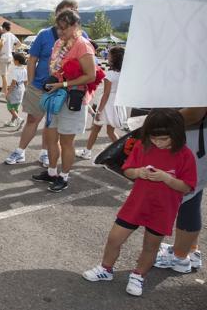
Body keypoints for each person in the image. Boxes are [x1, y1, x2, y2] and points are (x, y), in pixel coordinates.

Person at [83, 109, 197, 297]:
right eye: (154, 138)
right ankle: (106, 268)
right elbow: (127, 170)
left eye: (163, 139)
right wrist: (138, 173)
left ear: (176, 135)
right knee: (114, 238)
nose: (158, 143)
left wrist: (166, 178)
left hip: (163, 209)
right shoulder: (143, 147)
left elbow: (187, 187)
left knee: (151, 246)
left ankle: (138, 275)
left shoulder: (185, 155)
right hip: (137, 203)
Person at [4, 0, 81, 167]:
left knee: (52, 123)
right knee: (33, 119)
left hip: (63, 90)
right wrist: (31, 83)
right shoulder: (45, 34)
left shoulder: (81, 38)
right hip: (40, 86)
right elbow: (32, 59)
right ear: (57, 15)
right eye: (63, 13)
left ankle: (45, 153)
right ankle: (20, 151)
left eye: (72, 12)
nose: (67, 17)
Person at [33, 9, 97, 192]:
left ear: (75, 26)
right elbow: (54, 68)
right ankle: (52, 173)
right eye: (58, 28)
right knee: (51, 138)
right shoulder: (58, 43)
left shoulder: (83, 45)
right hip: (56, 97)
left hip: (72, 100)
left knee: (67, 142)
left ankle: (64, 177)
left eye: (64, 28)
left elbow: (91, 76)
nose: (60, 32)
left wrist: (63, 84)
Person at [154, 107, 206, 273]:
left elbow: (197, 111)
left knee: (187, 198)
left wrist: (160, 121)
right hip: (197, 137)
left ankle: (180, 258)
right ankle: (190, 250)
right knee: (193, 196)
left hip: (197, 139)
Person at [76, 46, 127, 159]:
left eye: (109, 54)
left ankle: (87, 152)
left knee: (96, 129)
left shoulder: (110, 74)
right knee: (110, 131)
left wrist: (98, 111)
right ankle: (124, 153)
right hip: (117, 104)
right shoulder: (124, 74)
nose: (107, 56)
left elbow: (106, 94)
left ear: (114, 58)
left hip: (107, 104)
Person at [4, 52, 28, 128]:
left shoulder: (15, 70)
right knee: (16, 106)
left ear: (17, 61)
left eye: (14, 60)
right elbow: (25, 81)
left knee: (10, 106)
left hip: (15, 89)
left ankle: (18, 119)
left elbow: (13, 83)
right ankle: (12, 122)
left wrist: (8, 93)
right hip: (21, 89)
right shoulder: (24, 69)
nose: (13, 61)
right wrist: (26, 90)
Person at [0, 21, 21, 97]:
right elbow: (19, 44)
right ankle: (3, 90)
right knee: (5, 74)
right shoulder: (12, 35)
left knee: (3, 75)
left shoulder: (4, 35)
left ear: (4, 28)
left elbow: (1, 43)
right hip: (10, 57)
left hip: (3, 56)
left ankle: (5, 92)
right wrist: (12, 49)